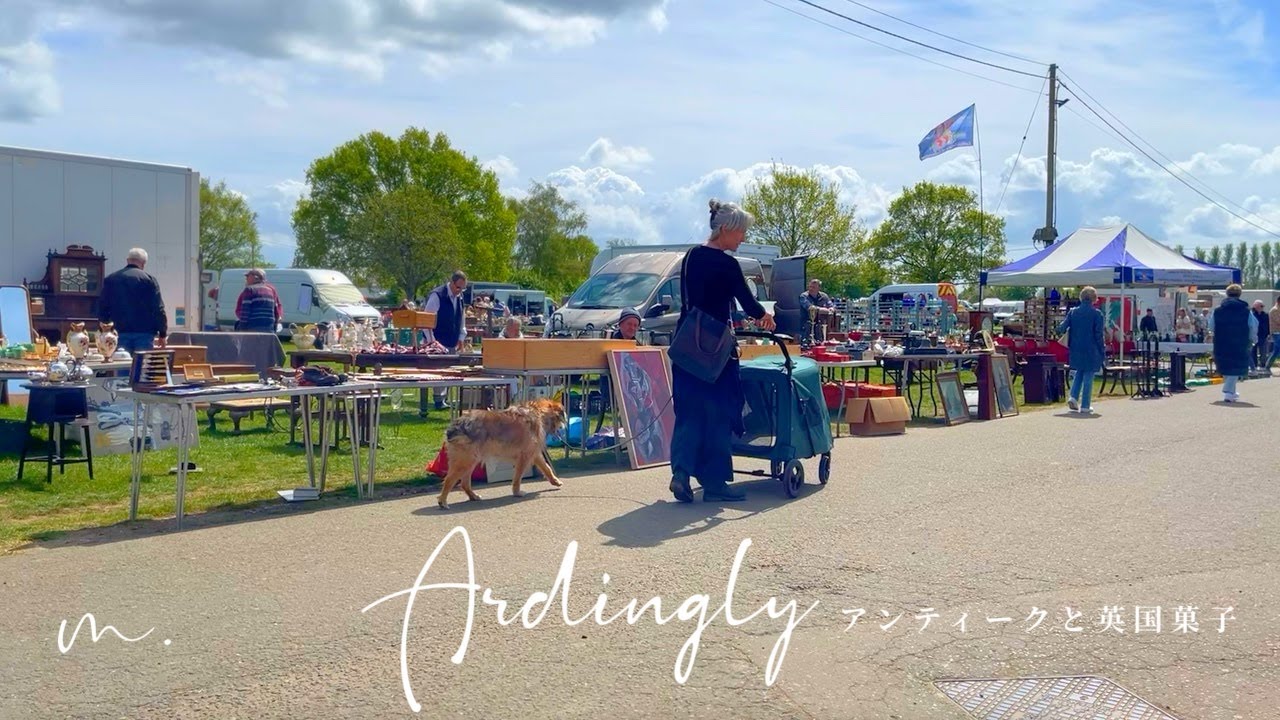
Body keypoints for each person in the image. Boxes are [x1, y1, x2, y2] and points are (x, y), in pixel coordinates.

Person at [669, 199, 775, 504]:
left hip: (687, 342)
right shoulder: (728, 264)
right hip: (715, 350)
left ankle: (681, 473)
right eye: (741, 232)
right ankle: (715, 483)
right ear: (726, 229)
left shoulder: (690, 256)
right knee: (719, 414)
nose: (743, 238)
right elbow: (748, 303)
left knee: (688, 412)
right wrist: (766, 316)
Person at [99, 247, 167, 354]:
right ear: (143, 263)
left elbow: (102, 306)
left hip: (118, 332)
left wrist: (105, 329)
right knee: (141, 363)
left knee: (120, 362)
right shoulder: (149, 280)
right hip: (145, 333)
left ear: (127, 260)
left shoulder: (111, 279)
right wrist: (162, 333)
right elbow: (158, 309)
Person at [423, 270, 469, 410]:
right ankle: (438, 400)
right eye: (458, 287)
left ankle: (444, 399)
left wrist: (461, 337)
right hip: (437, 341)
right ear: (451, 283)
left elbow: (461, 319)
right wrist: (432, 342)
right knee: (438, 371)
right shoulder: (437, 295)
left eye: (463, 288)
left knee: (449, 371)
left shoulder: (460, 297)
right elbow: (427, 320)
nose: (460, 290)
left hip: (451, 340)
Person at [1057, 285, 1105, 414]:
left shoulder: (1073, 312)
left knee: (1079, 371)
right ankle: (1085, 405)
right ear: (1094, 298)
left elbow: (1061, 328)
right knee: (1088, 374)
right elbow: (1098, 335)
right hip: (1091, 348)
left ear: (1081, 297)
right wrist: (1102, 349)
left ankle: (1073, 397)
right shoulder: (1097, 314)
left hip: (1075, 348)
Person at [1211, 284, 1254, 402]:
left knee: (1226, 366)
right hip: (1240, 341)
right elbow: (1252, 326)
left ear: (1227, 294)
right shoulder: (1246, 311)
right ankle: (1229, 391)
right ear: (1240, 294)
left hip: (1221, 341)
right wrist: (1252, 339)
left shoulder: (1218, 310)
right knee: (1236, 366)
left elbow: (1211, 326)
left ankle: (1232, 392)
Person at [234, 268, 283, 333]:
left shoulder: (249, 289)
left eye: (248, 276)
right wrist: (275, 326)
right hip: (269, 329)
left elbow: (245, 312)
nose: (246, 278)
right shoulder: (271, 290)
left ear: (255, 277)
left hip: (252, 329)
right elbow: (276, 310)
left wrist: (242, 330)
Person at [799, 279, 834, 344]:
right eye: (810, 286)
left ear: (819, 288)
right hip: (806, 326)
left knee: (820, 344)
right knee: (806, 345)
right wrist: (821, 310)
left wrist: (831, 309)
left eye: (813, 287)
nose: (811, 289)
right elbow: (810, 307)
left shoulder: (824, 296)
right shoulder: (803, 296)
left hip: (820, 326)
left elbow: (831, 306)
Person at [1252, 300, 1269, 370]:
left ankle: (1263, 366)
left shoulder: (1265, 315)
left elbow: (1268, 324)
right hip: (1254, 336)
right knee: (1253, 352)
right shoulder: (1252, 315)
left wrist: (1268, 333)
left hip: (1263, 336)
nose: (1262, 307)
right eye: (1261, 306)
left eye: (1263, 306)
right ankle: (1254, 366)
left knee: (1263, 352)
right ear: (1256, 306)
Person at [1267, 297, 1280, 372]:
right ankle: (1267, 366)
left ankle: (1267, 366)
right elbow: (1278, 321)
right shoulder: (1274, 310)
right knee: (1276, 350)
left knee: (1277, 350)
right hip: (1276, 332)